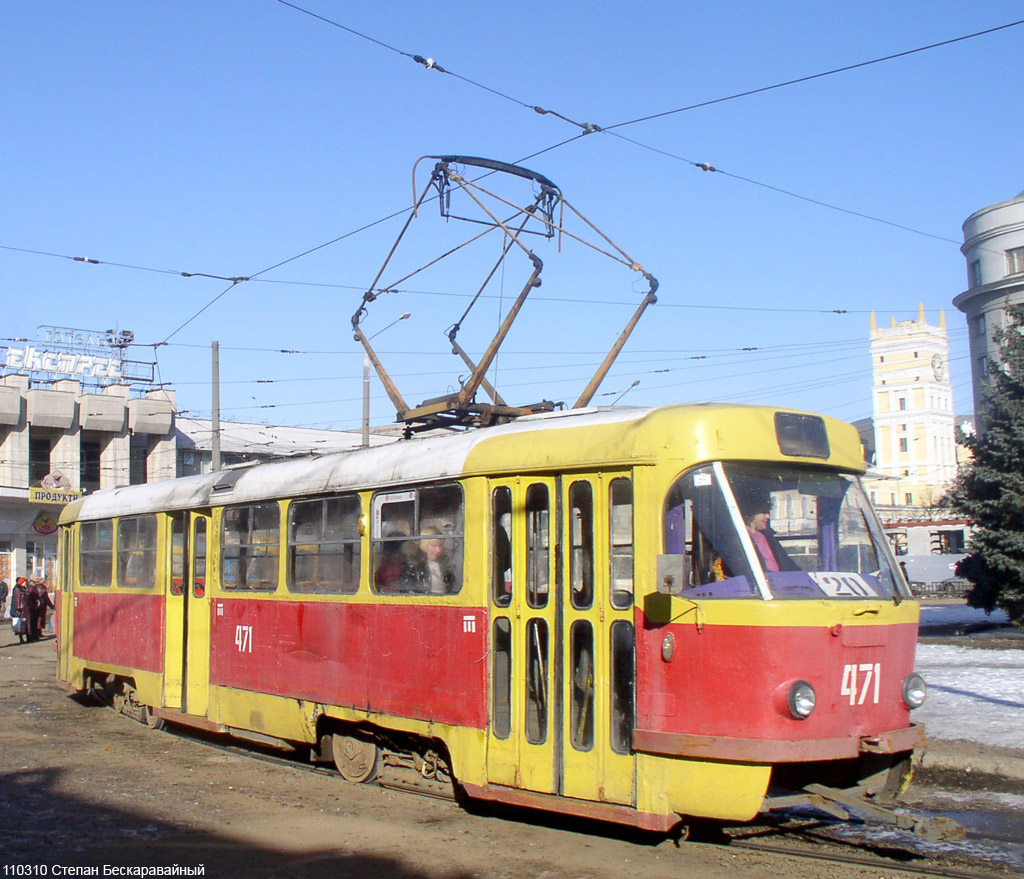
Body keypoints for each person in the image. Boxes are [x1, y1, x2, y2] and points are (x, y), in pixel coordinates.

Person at [11, 577, 31, 644]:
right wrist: (18, 608)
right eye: (24, 582)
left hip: (26, 607)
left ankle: (28, 637)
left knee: (26, 623)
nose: (25, 583)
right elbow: (17, 599)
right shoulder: (17, 589)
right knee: (21, 624)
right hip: (21, 608)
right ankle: (21, 638)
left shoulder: (25, 588)